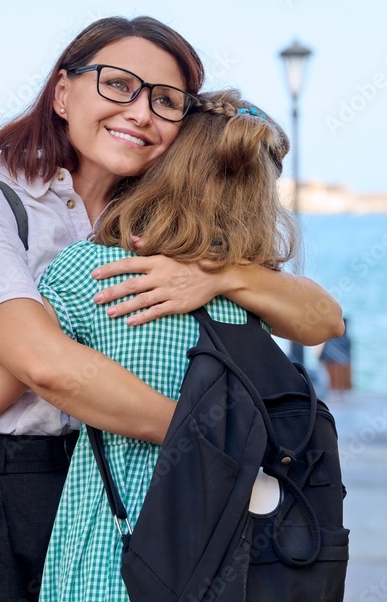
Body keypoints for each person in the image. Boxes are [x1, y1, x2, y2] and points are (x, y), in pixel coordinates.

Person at [0, 16, 344, 602]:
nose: (140, 112)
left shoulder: (167, 235)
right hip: (8, 485)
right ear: (63, 93)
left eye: (165, 101)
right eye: (118, 85)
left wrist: (215, 275)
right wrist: (223, 445)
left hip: (129, 487)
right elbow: (47, 365)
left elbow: (322, 319)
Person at [32, 90, 298, 600]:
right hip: (227, 546)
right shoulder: (261, 295)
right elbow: (325, 320)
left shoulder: (86, 273)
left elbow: (14, 367)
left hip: (113, 543)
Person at [320, 316, 353, 392]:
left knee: (333, 374)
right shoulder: (346, 340)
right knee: (340, 373)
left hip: (332, 353)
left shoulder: (329, 339)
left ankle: (336, 391)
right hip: (341, 357)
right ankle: (342, 391)